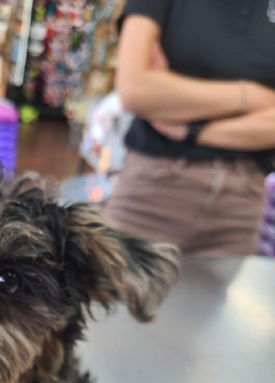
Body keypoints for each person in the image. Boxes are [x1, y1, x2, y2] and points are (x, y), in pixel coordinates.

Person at [107, 0, 275, 255]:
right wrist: (251, 95)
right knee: (119, 290)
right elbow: (135, 89)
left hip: (242, 203)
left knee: (216, 296)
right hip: (153, 186)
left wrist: (192, 130)